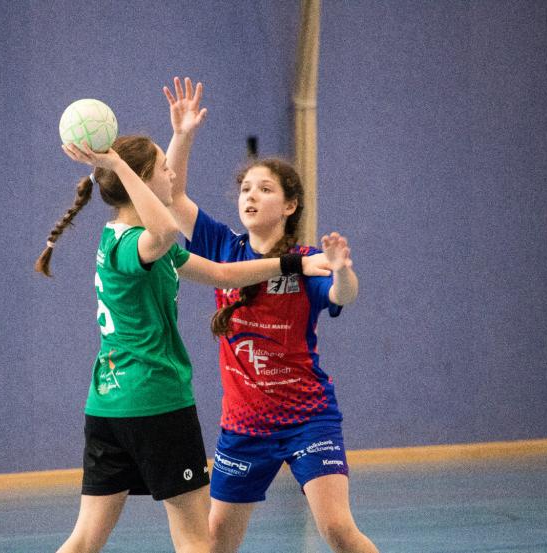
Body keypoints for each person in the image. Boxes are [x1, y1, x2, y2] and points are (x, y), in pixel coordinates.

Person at [36, 133, 335, 553]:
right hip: (157, 401)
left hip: (106, 405)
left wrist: (294, 264)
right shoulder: (136, 244)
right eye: (162, 168)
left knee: (84, 539)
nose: (171, 175)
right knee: (195, 541)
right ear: (141, 180)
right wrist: (117, 164)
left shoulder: (119, 238)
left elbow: (224, 274)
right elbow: (165, 229)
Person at [163, 77, 379, 553]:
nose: (251, 196)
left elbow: (343, 295)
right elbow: (172, 199)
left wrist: (342, 270)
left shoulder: (307, 261)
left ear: (290, 205)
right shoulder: (223, 246)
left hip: (308, 417)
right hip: (244, 427)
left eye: (264, 189)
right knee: (215, 543)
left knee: (338, 530)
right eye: (245, 189)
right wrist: (182, 136)